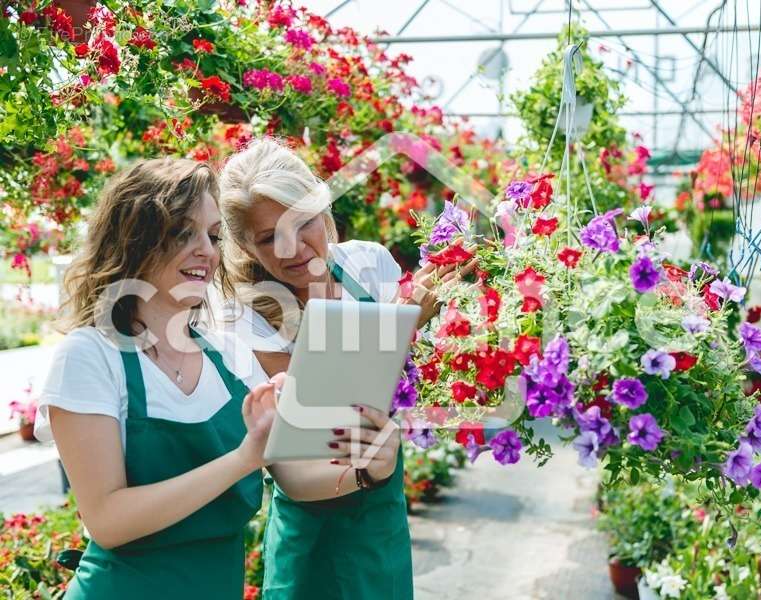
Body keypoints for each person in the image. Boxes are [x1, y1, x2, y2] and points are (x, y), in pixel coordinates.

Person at [218, 137, 474, 599]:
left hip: (381, 506)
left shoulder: (368, 263)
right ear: (244, 246)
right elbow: (315, 426)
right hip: (313, 511)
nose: (292, 248)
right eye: (267, 237)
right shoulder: (248, 315)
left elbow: (416, 375)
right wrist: (404, 324)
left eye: (304, 222)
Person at [33, 158, 278, 599]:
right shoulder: (91, 356)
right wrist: (243, 459)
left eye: (214, 235)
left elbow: (298, 475)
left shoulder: (228, 354)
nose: (207, 249)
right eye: (184, 232)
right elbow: (108, 521)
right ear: (135, 239)